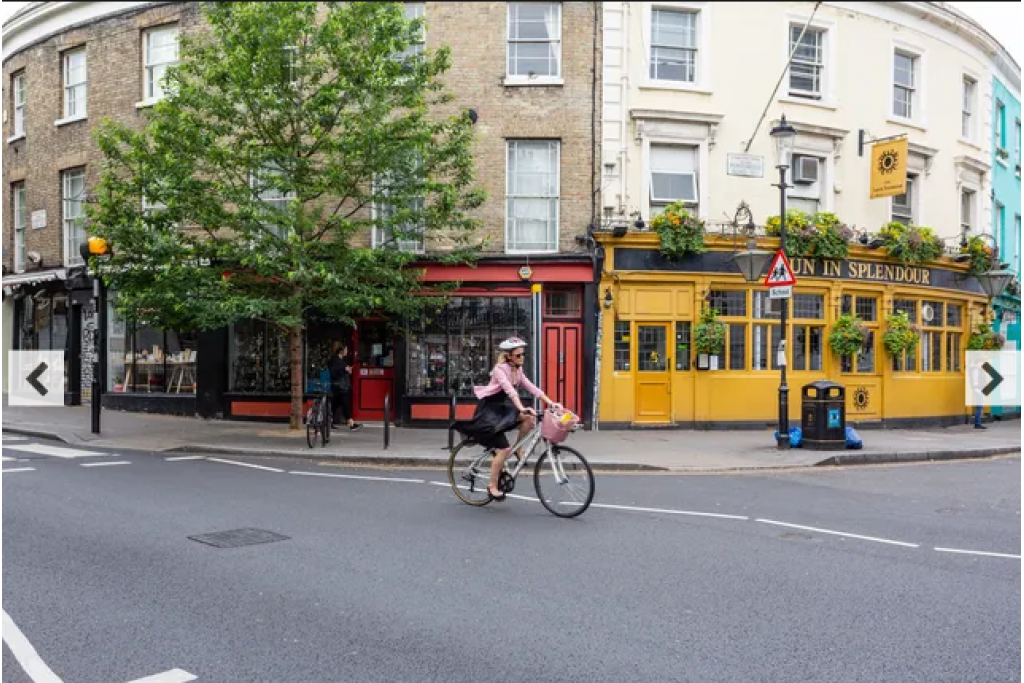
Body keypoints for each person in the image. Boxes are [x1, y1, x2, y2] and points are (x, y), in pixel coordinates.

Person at [453, 337, 560, 501]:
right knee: (504, 449)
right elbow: (511, 391)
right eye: (518, 355)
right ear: (509, 356)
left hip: (501, 410)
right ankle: (492, 486)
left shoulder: (518, 370)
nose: (521, 358)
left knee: (529, 419)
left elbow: (532, 387)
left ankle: (518, 448)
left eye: (523, 354)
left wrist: (551, 403)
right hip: (489, 413)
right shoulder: (499, 370)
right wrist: (521, 407)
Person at [327, 342, 362, 431]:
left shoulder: (339, 360)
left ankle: (328, 422)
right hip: (341, 387)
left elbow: (339, 370)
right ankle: (351, 424)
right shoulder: (336, 360)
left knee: (335, 405)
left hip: (338, 386)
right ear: (341, 351)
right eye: (346, 349)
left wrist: (347, 370)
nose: (347, 351)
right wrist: (345, 369)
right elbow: (335, 371)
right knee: (345, 404)